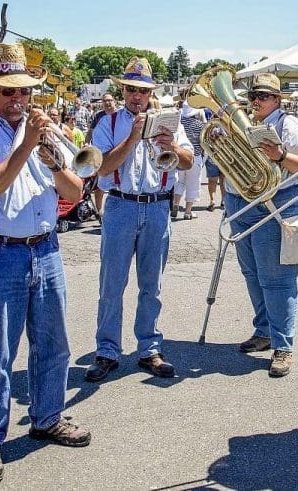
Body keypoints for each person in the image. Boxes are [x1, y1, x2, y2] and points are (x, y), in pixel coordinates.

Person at [0, 43, 90, 484]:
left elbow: (74, 193)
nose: (19, 100)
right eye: (8, 92)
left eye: (24, 92)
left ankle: (48, 416)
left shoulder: (44, 132)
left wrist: (50, 157)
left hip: (46, 248)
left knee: (55, 344)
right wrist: (27, 144)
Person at [85, 57, 194, 382]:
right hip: (120, 205)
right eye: (131, 90)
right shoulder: (109, 122)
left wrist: (172, 145)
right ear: (123, 91)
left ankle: (149, 347)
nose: (136, 96)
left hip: (158, 206)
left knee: (152, 286)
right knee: (111, 285)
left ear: (150, 93)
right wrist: (133, 138)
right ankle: (107, 350)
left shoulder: (169, 121)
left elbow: (188, 162)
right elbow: (100, 167)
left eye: (142, 91)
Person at [227, 72, 298, 378]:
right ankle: (264, 330)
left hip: (274, 207)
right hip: (241, 203)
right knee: (252, 272)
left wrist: (280, 155)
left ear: (278, 100)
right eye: (254, 96)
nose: (256, 102)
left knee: (277, 278)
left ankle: (283, 345)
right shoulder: (243, 122)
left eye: (264, 96)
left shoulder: (289, 124)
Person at [172, 99, 204, 220]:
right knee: (193, 184)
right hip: (195, 156)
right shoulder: (200, 125)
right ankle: (188, 211)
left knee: (179, 181)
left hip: (179, 156)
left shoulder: (178, 122)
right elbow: (203, 143)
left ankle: (175, 204)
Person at [87, 93, 118, 213]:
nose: (108, 103)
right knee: (100, 182)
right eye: (105, 101)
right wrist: (86, 144)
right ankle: (99, 211)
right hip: (100, 153)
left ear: (114, 101)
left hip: (117, 151)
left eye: (110, 100)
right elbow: (90, 131)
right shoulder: (98, 116)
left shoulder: (120, 115)